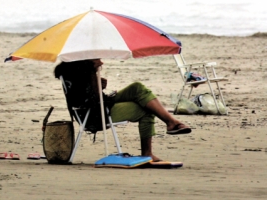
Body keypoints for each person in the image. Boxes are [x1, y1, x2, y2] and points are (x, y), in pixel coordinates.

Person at [55, 58, 191, 161]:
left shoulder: (74, 70)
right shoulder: (84, 71)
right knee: (146, 109)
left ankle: (171, 122)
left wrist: (96, 82)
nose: (101, 62)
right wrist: (96, 81)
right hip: (95, 115)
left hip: (97, 107)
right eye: (97, 59)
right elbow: (93, 101)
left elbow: (84, 94)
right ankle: (148, 152)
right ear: (87, 59)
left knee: (137, 88)